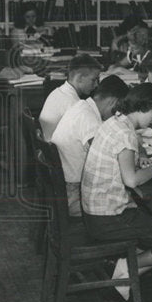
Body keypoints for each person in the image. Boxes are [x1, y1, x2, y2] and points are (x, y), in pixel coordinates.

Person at [80, 83, 152, 299]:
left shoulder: (114, 122)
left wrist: (139, 156)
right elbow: (132, 181)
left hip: (96, 213)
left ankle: (127, 269)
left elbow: (124, 159)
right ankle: (128, 266)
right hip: (109, 220)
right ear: (142, 107)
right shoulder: (125, 134)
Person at [50, 75, 129, 217]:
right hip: (73, 195)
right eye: (119, 108)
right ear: (113, 102)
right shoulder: (88, 118)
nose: (117, 114)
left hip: (63, 187)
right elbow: (109, 155)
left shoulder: (83, 106)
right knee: (134, 203)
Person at [38, 53, 103, 141]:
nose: (96, 85)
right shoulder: (73, 103)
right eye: (93, 80)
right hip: (58, 150)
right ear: (79, 78)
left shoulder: (59, 92)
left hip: (51, 144)